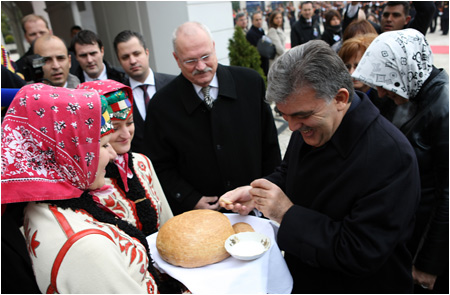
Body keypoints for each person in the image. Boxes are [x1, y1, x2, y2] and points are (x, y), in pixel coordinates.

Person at [219, 40, 421, 293]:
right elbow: (289, 172)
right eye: (285, 116)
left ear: (340, 98)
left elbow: (360, 251)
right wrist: (259, 193)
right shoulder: (311, 125)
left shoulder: (392, 155)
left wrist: (285, 213)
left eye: (301, 116)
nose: (292, 127)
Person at [1, 83, 172, 293]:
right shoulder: (86, 246)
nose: (112, 155)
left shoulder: (40, 208)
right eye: (103, 145)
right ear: (69, 152)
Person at [145, 22, 281, 215]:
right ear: (176, 59)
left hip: (254, 209)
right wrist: (189, 198)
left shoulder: (250, 83)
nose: (201, 67)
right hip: (199, 217)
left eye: (206, 57)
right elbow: (159, 165)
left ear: (214, 47)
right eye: (190, 61)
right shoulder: (161, 105)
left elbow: (270, 148)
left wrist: (263, 193)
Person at [352, 28, 449, 294]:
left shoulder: (443, 108)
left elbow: (447, 195)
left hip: (427, 242)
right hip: (406, 232)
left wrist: (429, 263)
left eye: (384, 83)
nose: (381, 94)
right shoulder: (412, 90)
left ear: (402, 67)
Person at [76, 80, 173, 234]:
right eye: (115, 128)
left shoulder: (142, 162)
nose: (126, 134)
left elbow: (168, 221)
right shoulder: (89, 179)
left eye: (130, 123)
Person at [113, 30, 175, 155]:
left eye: (136, 54)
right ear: (119, 61)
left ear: (147, 52)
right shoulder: (116, 96)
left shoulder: (173, 84)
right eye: (125, 57)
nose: (133, 61)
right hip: (139, 168)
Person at [338, 33, 396, 120]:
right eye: (347, 67)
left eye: (358, 66)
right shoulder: (339, 98)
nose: (352, 73)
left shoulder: (388, 99)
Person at [15, 14, 52, 81]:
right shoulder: (18, 66)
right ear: (26, 37)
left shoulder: (69, 56)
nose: (38, 37)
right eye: (33, 34)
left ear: (50, 32)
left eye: (42, 32)